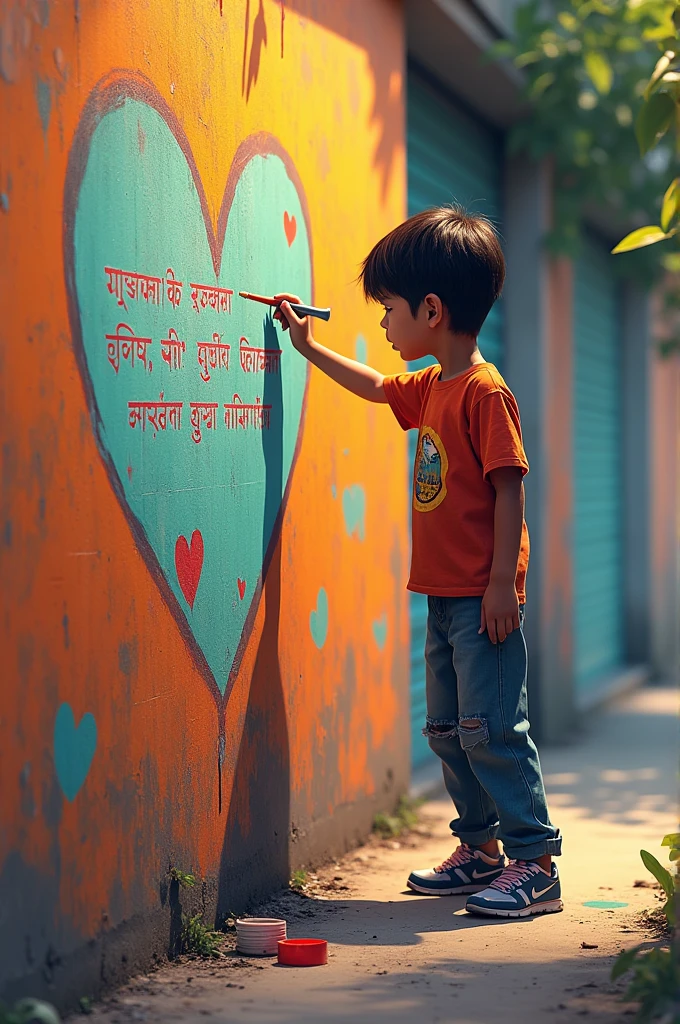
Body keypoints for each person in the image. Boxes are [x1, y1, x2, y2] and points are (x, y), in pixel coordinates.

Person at [273, 205, 562, 918]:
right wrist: (307, 347)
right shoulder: (433, 386)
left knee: (492, 731)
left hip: (479, 598)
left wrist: (502, 584)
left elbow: (509, 486)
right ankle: (479, 850)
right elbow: (375, 386)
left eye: (390, 310)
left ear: (431, 311)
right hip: (440, 593)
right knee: (446, 730)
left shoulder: (484, 393)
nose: (383, 324)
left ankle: (535, 862)